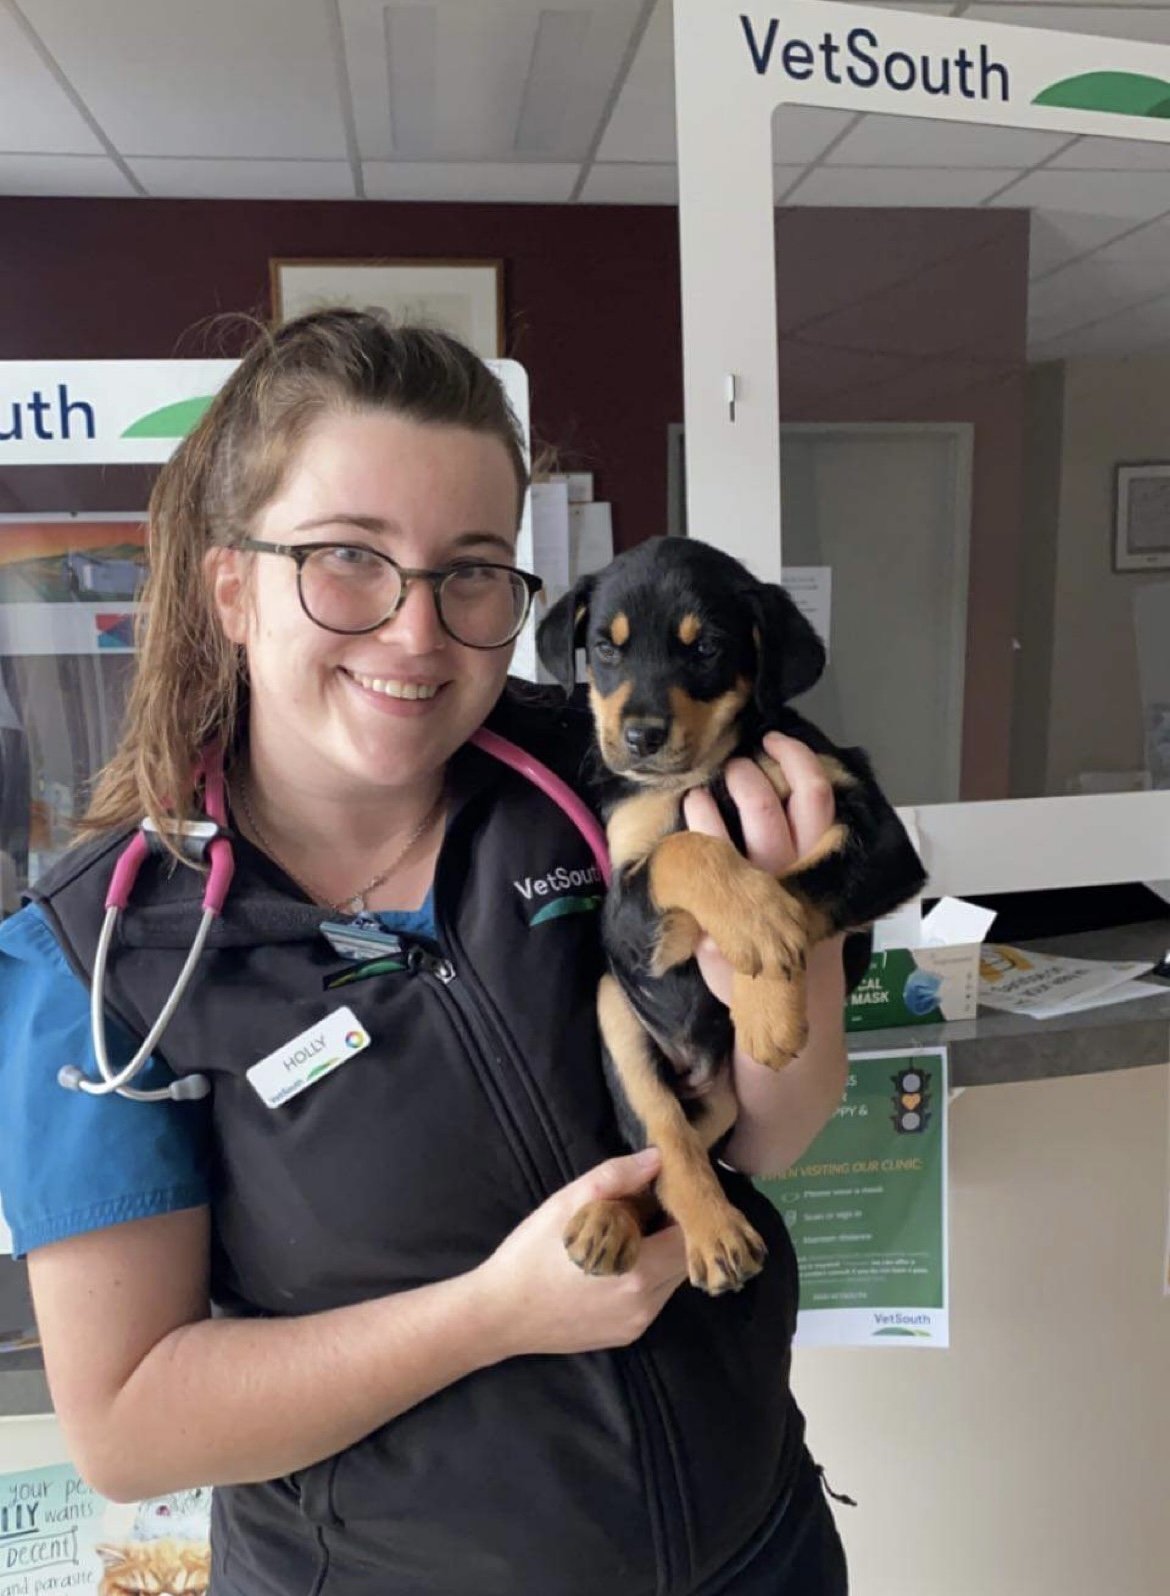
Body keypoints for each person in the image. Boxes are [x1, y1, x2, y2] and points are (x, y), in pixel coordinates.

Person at [0, 309, 859, 1595]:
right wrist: (500, 1314)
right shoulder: (100, 948)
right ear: (233, 587)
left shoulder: (598, 774)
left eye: (470, 569)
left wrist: (787, 949)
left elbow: (774, 1135)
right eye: (348, 558)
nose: (418, 633)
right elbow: (129, 1424)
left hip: (761, 1550)